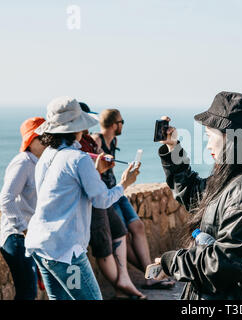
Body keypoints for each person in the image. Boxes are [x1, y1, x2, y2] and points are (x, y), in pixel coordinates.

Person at [153, 91, 242, 300]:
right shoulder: (236, 178)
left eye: (210, 136)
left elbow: (228, 260)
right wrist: (172, 147)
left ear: (230, 138)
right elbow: (195, 195)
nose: (209, 145)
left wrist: (173, 262)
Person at [24, 97, 140, 300]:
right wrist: (125, 184)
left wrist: (95, 173)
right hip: (65, 252)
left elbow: (63, 190)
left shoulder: (47, 156)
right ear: (77, 128)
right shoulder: (79, 159)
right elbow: (102, 200)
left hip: (40, 245)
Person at [91, 109, 174, 289]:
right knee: (122, 236)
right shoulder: (96, 140)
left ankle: (150, 274)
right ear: (114, 124)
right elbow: (92, 169)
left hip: (118, 190)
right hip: (106, 195)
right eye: (121, 122)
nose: (122, 125)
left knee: (138, 226)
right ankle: (150, 275)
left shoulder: (113, 140)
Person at [78, 102, 146, 299]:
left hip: (109, 194)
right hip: (100, 197)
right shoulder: (82, 146)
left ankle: (129, 279)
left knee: (123, 231)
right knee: (105, 244)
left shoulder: (89, 141)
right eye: (121, 122)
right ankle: (123, 285)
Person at [0, 117, 46, 300]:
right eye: (41, 137)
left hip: (29, 236)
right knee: (27, 292)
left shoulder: (40, 163)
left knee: (29, 291)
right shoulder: (23, 162)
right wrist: (24, 229)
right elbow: (6, 199)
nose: (46, 141)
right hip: (16, 236)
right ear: (31, 140)